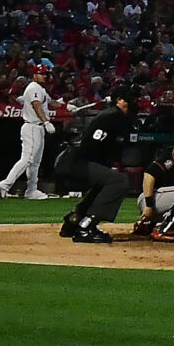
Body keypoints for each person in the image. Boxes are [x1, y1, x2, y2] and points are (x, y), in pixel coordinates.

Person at [52, 85, 139, 244]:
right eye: (131, 99)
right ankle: (86, 227)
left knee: (106, 181)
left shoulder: (115, 116)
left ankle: (74, 220)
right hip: (75, 162)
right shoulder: (113, 115)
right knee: (119, 181)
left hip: (74, 161)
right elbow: (92, 146)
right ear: (119, 100)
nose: (135, 102)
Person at [0, 60, 55, 200]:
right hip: (33, 126)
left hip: (38, 128)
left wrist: (68, 106)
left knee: (35, 162)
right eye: (41, 74)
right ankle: (5, 184)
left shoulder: (41, 89)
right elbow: (36, 105)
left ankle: (31, 190)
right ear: (34, 75)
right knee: (28, 159)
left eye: (45, 74)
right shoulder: (34, 87)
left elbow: (51, 102)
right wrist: (46, 122)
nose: (44, 76)